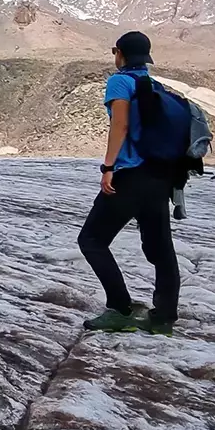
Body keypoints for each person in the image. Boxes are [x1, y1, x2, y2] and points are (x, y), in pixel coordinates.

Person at [78, 30, 180, 334]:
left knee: (92, 240)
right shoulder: (156, 86)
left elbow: (120, 124)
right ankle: (163, 319)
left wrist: (108, 167)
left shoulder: (120, 82)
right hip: (159, 178)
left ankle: (120, 309)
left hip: (131, 177)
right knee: (161, 249)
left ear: (120, 53)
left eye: (115, 51)